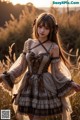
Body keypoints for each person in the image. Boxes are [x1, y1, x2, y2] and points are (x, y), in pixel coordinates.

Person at [0, 12, 80, 120]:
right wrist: (4, 77)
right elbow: (21, 67)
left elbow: (56, 71)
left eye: (46, 28)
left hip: (44, 87)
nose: (42, 30)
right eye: (40, 26)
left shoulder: (53, 47)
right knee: (31, 117)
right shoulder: (29, 43)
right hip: (27, 86)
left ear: (51, 30)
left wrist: (70, 83)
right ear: (36, 26)